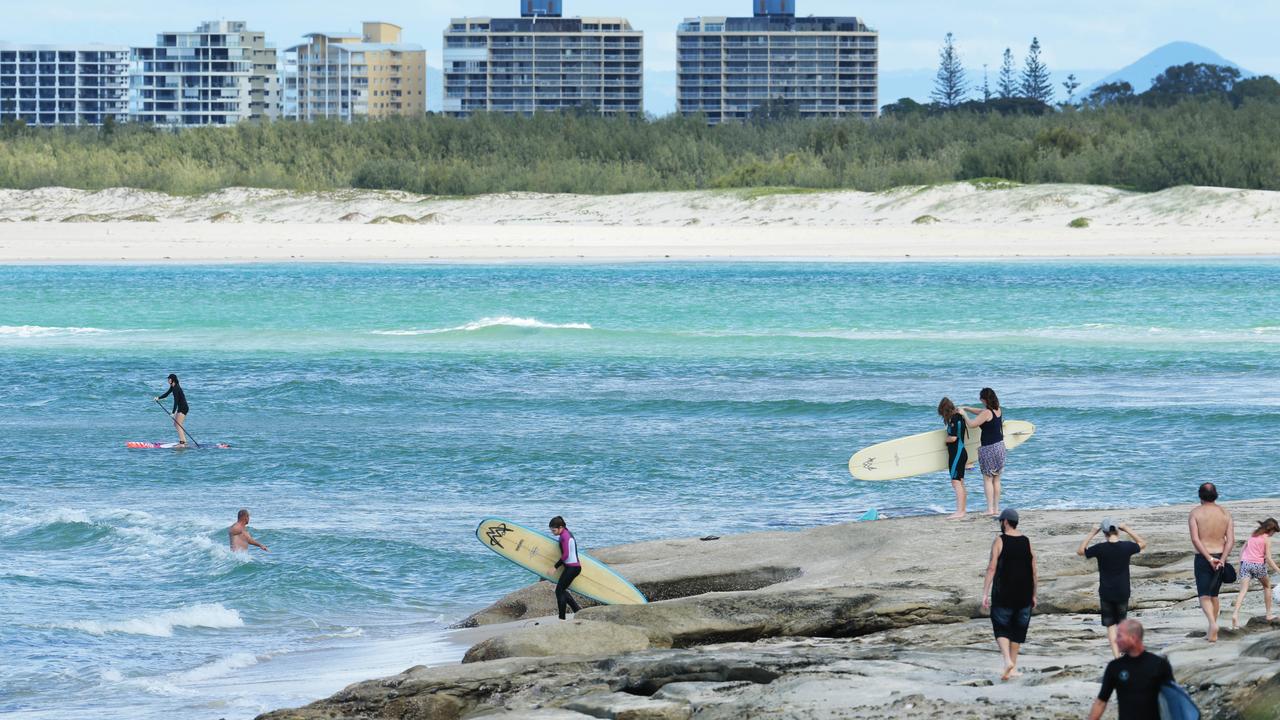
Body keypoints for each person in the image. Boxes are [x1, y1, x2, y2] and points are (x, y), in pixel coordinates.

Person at [1077, 518, 1148, 657]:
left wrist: (1092, 533)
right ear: (1117, 531)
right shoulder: (1127, 547)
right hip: (1123, 590)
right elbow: (1143, 543)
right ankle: (1128, 654)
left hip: (1106, 592)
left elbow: (1080, 551)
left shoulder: (1100, 548)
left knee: (1110, 626)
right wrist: (1127, 528)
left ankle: (1116, 657)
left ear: (1104, 533)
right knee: (1123, 625)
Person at [981, 508, 1037, 681]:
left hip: (1004, 591)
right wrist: (1034, 594)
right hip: (1025, 592)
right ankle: (1012, 667)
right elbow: (1034, 569)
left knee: (1001, 626)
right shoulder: (1026, 541)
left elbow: (992, 567)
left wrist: (985, 593)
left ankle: (1007, 661)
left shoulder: (999, 540)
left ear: (1005, 522)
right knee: (1018, 630)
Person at [1087, 619, 1176, 720]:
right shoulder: (1115, 667)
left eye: (1119, 636)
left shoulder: (1159, 664)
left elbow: (1173, 699)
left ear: (1133, 638)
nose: (1115, 640)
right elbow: (1101, 702)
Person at [1188, 482, 1235, 641]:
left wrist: (1209, 558)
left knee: (1204, 595)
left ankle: (1212, 624)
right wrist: (1221, 559)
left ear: (1200, 495)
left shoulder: (1195, 513)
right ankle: (1212, 630)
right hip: (1220, 556)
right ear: (1216, 495)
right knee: (1214, 595)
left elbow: (1195, 539)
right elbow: (1230, 541)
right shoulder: (1225, 513)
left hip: (1203, 557)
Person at [959, 388, 1005, 516]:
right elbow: (981, 412)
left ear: (984, 399)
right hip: (1000, 446)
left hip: (989, 448)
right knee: (996, 479)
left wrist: (964, 414)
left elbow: (972, 424)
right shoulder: (997, 409)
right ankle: (996, 509)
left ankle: (989, 509)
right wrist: (968, 408)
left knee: (987, 479)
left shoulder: (986, 413)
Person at [1230, 518, 1280, 629]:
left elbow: (1242, 549)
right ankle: (1268, 614)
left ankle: (1235, 614)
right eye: (1274, 532)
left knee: (1243, 590)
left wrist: (1239, 564)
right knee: (1267, 586)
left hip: (1245, 564)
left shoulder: (1253, 534)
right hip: (1258, 565)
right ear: (1270, 530)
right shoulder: (1266, 539)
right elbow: (1268, 558)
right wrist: (1278, 570)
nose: (1273, 534)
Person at [937, 397, 969, 520]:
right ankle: (962, 510)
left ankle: (960, 511)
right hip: (961, 452)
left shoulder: (954, 419)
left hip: (957, 454)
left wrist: (945, 440)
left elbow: (953, 437)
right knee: (960, 481)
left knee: (956, 482)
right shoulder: (959, 417)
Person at [549, 516, 582, 620]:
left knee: (559, 591)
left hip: (573, 568)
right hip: (572, 567)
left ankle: (562, 618)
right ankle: (577, 610)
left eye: (554, 530)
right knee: (561, 590)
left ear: (561, 527)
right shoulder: (565, 533)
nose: (552, 532)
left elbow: (566, 555)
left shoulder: (565, 536)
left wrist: (555, 567)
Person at [155, 373, 190, 446]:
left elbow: (176, 401)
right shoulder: (173, 386)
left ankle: (182, 442)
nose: (168, 380)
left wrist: (173, 412)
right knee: (176, 424)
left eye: (169, 379)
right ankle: (184, 441)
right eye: (168, 379)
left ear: (172, 380)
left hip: (183, 408)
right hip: (181, 407)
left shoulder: (176, 388)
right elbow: (167, 394)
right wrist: (158, 398)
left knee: (178, 424)